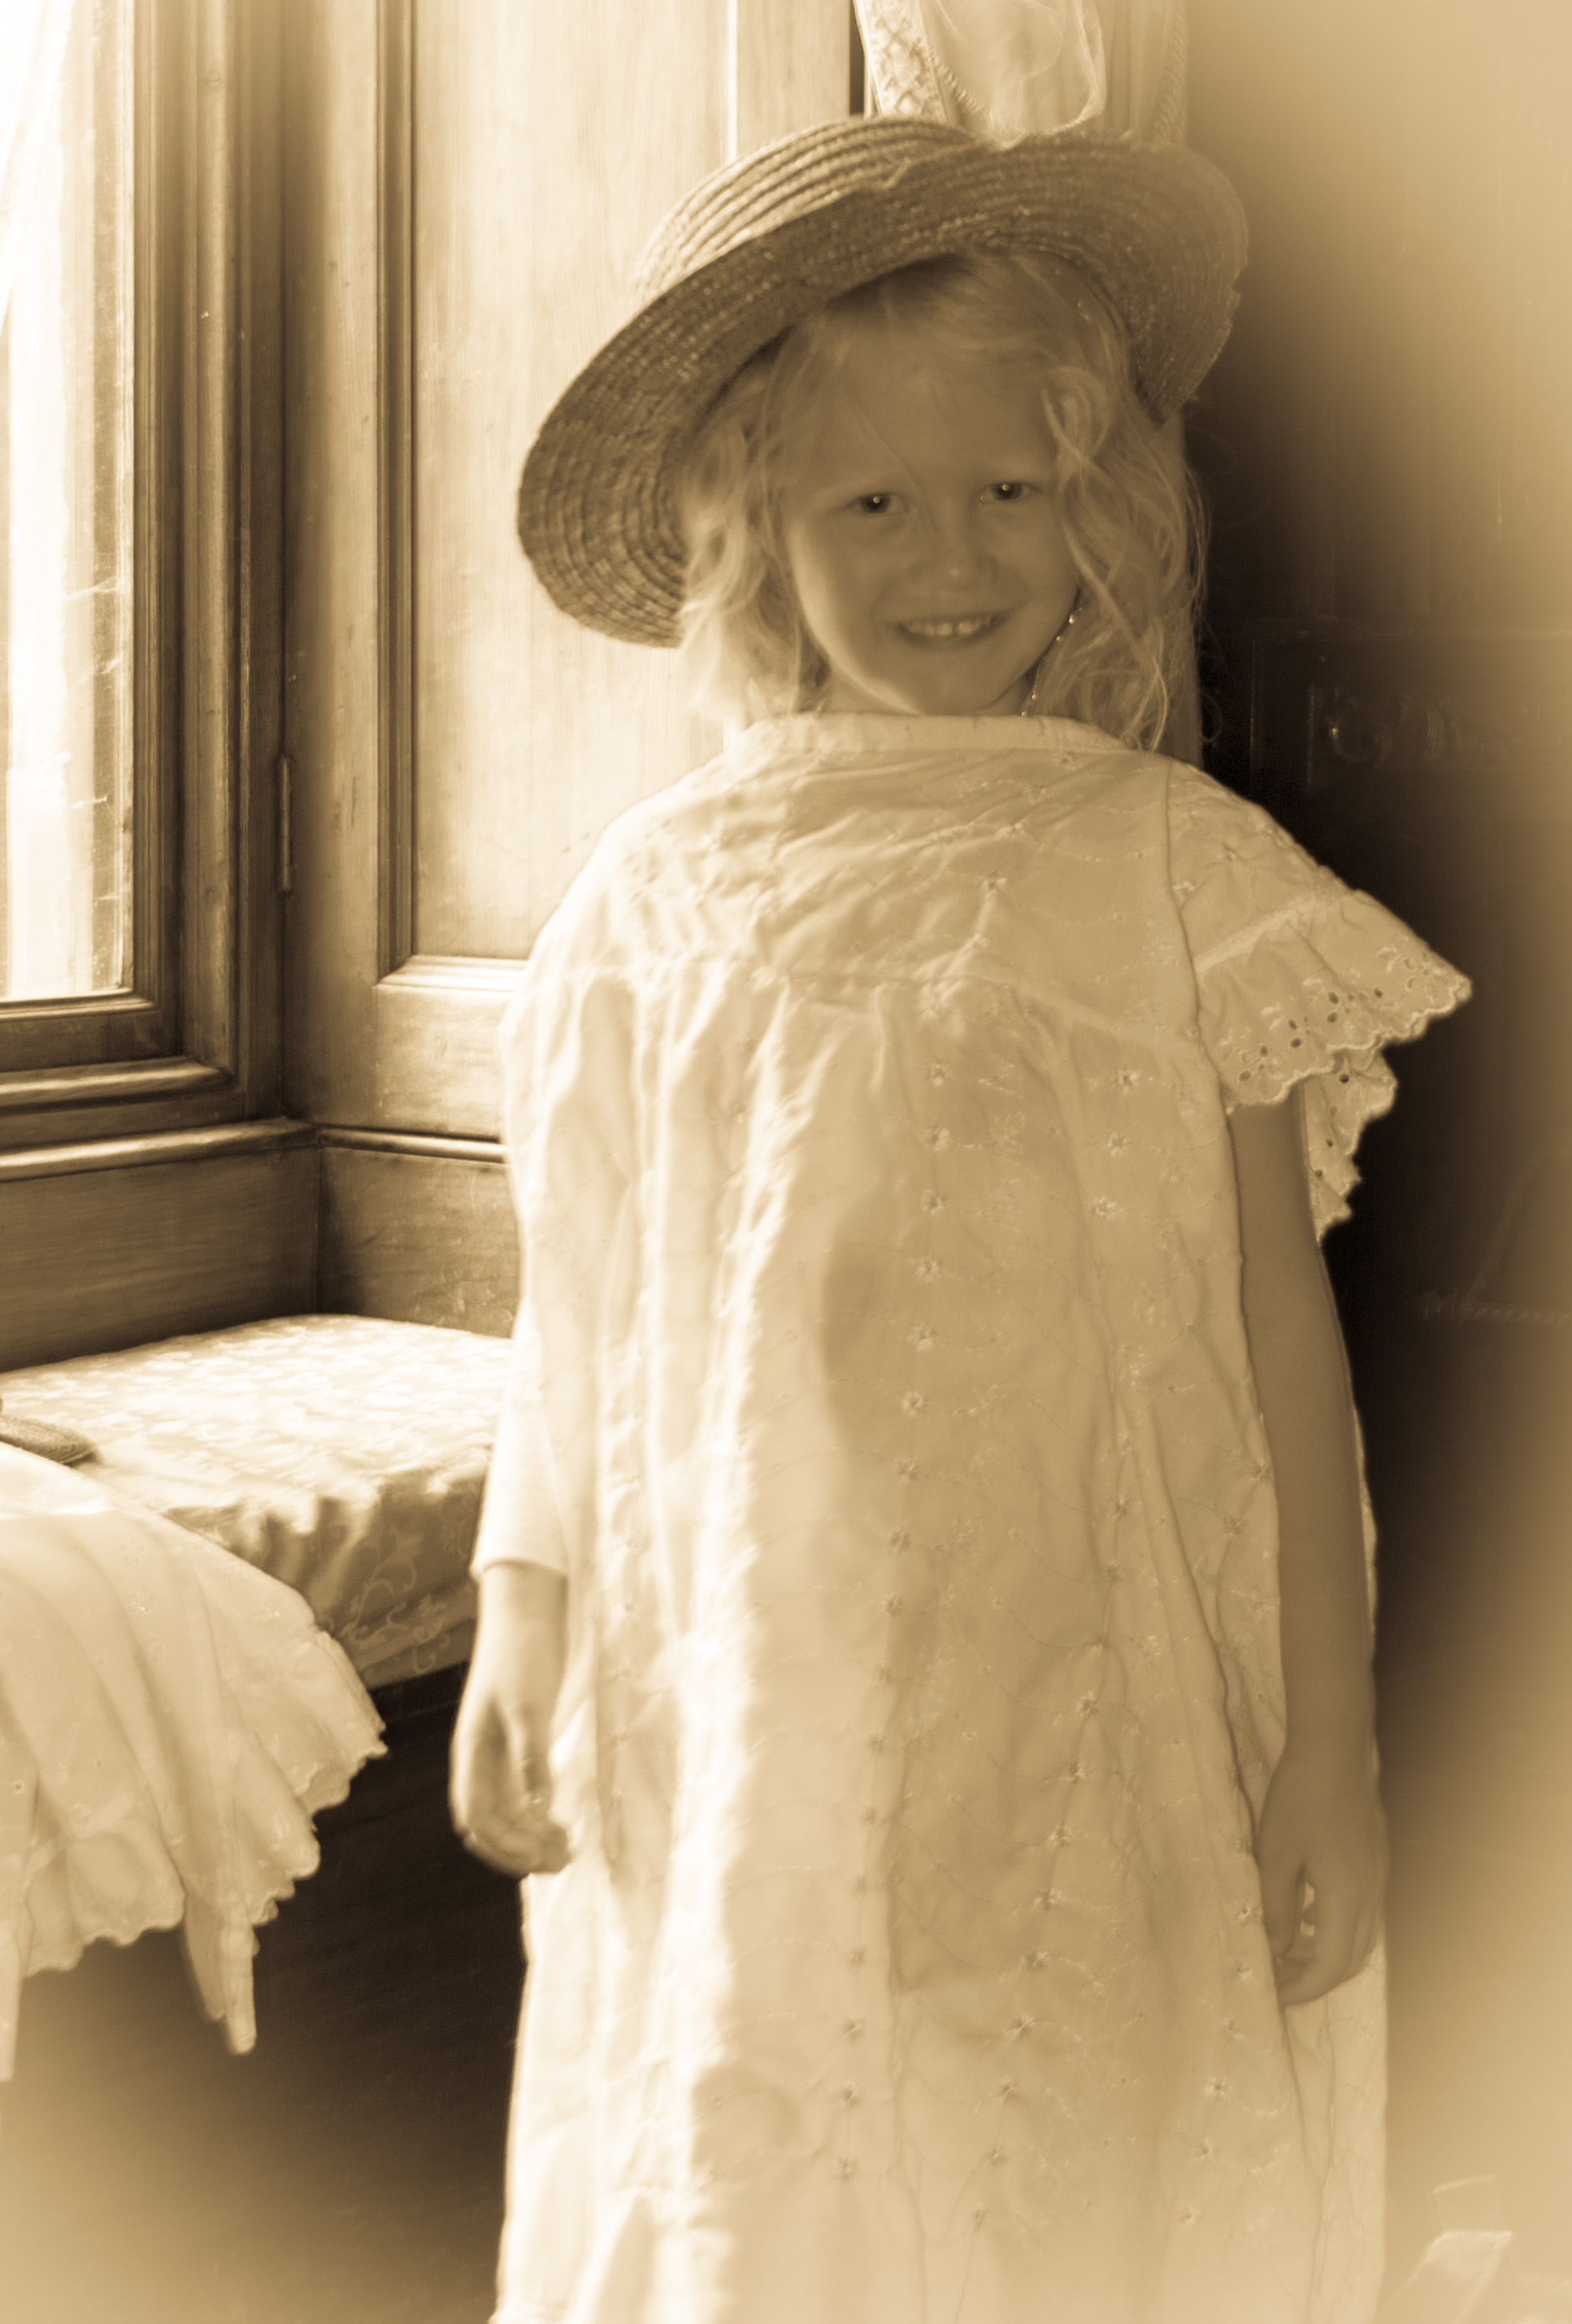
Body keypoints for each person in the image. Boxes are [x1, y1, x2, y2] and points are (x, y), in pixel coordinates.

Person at [449, 116, 1470, 2324]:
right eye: (871, 504)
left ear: (1095, 510)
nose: (950, 555)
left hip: (1078, 1693)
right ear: (757, 536)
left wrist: (1331, 1736)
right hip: (739, 1691)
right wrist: (522, 1608)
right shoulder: (650, 894)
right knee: (772, 2157)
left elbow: (1278, 1336)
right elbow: (581, 1312)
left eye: (1010, 488)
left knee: (1049, 2161)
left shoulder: (1181, 874)